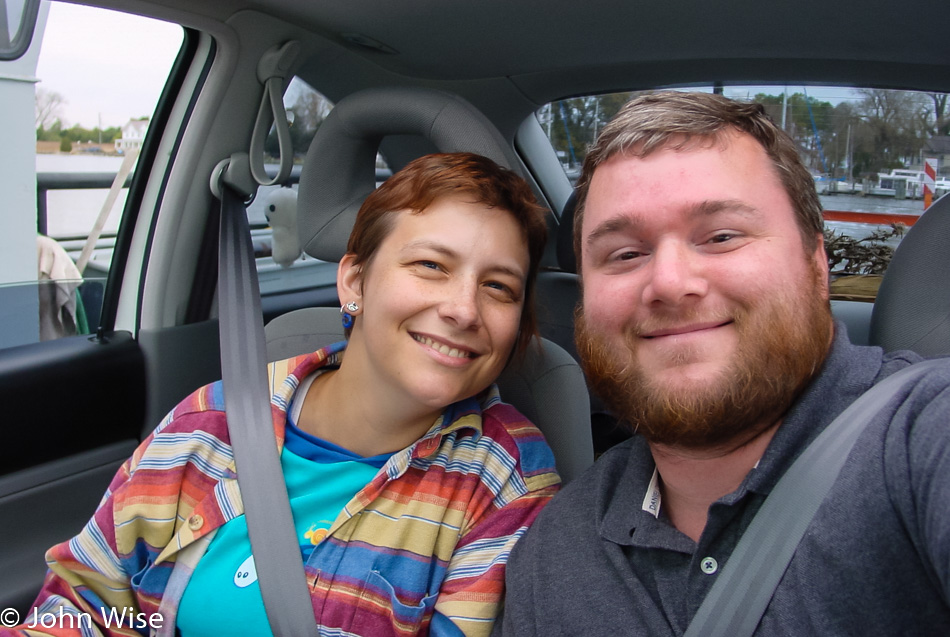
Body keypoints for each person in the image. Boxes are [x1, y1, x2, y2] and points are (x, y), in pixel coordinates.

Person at [19, 153, 559, 637]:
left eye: (498, 287)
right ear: (354, 282)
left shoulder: (505, 484)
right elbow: (84, 604)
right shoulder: (212, 422)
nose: (464, 309)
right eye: (431, 266)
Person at [495, 92, 950, 635]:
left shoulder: (923, 438)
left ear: (816, 266)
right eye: (625, 253)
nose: (668, 282)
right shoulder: (552, 555)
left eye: (722, 236)